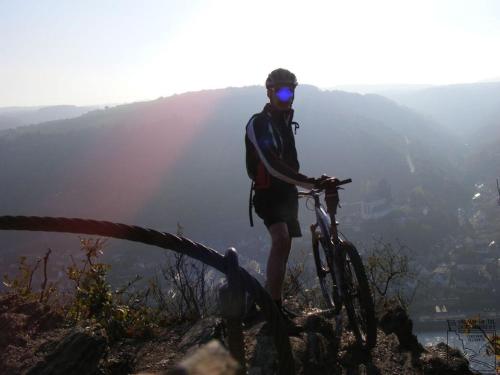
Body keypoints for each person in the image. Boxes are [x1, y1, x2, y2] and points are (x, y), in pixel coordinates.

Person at [245, 68, 334, 319]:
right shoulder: (258, 123)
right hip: (268, 193)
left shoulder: (285, 121)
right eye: (283, 91)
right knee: (281, 239)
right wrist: (307, 181)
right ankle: (273, 307)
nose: (289, 96)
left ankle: (270, 299)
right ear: (270, 92)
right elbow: (272, 165)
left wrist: (303, 183)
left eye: (292, 91)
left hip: (287, 192)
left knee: (284, 248)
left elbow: (287, 163)